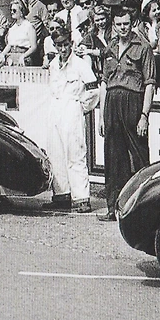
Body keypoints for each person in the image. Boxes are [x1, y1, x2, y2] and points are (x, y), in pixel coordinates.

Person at [98, 9, 155, 221]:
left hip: (133, 102)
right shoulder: (110, 48)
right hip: (112, 104)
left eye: (126, 24)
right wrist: (102, 116)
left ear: (132, 24)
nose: (123, 28)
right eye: (119, 24)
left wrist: (144, 115)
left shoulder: (143, 47)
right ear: (114, 24)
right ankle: (114, 208)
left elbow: (150, 84)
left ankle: (145, 209)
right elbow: (104, 83)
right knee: (113, 157)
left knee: (139, 157)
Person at [42, 27, 98, 214]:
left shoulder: (81, 65)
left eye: (66, 44)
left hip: (72, 110)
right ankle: (62, 195)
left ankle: (82, 198)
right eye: (59, 45)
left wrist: (81, 108)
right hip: (55, 110)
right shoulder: (53, 65)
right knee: (55, 154)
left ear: (71, 43)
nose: (63, 49)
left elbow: (93, 91)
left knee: (75, 154)